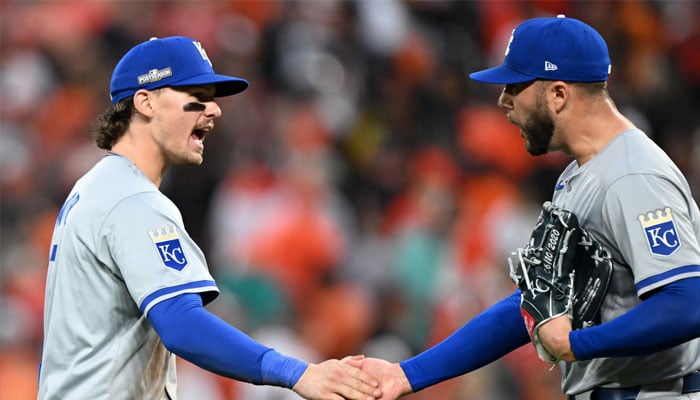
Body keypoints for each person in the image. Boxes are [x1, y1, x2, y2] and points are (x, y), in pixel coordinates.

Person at [360, 15, 700, 400]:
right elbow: (531, 303)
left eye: (515, 85)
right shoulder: (580, 175)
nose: (503, 100)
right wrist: (407, 375)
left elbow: (688, 301)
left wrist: (577, 344)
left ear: (558, 94)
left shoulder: (631, 176)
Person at [37, 36, 382, 400]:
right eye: (196, 97)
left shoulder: (94, 186)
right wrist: (296, 372)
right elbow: (182, 324)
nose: (214, 109)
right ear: (145, 101)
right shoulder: (132, 199)